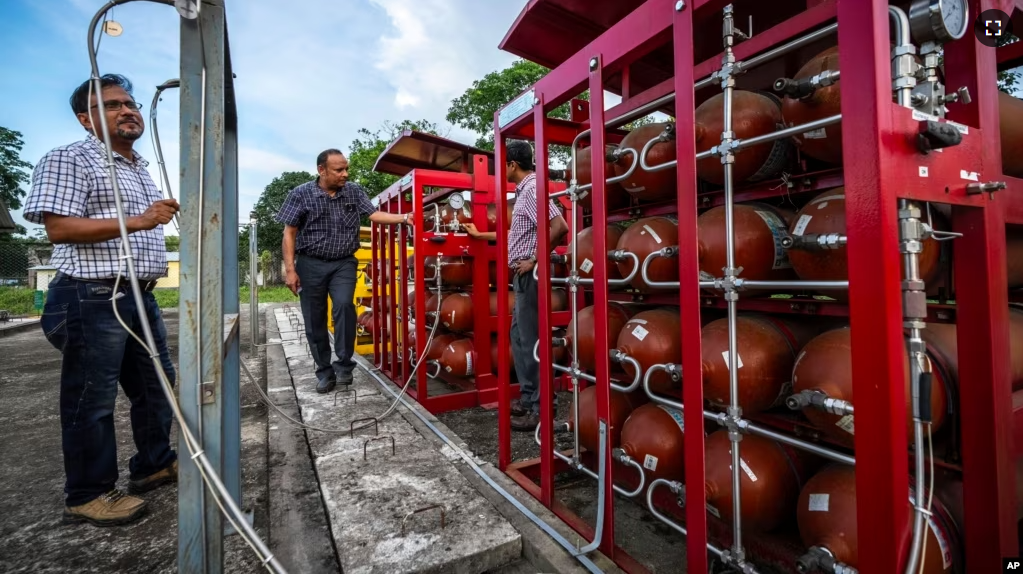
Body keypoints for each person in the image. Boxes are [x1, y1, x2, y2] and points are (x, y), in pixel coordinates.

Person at [23, 74, 180, 526]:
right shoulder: (70, 158)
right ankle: (87, 493)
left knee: (155, 388)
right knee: (91, 400)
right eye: (112, 105)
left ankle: (152, 464)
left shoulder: (136, 166)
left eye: (129, 103)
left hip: (136, 296)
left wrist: (149, 218)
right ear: (85, 119)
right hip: (91, 296)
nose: (127, 110)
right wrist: (142, 218)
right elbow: (60, 228)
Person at [276, 150, 411, 394]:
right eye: (339, 170)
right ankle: (324, 372)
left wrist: (404, 217)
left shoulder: (353, 191)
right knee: (314, 320)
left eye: (346, 168)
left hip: (343, 263)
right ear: (322, 170)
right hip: (310, 264)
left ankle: (344, 366)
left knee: (344, 306)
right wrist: (290, 270)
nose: (345, 174)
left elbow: (373, 214)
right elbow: (289, 233)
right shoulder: (300, 194)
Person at [463, 140, 568, 431]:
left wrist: (535, 260)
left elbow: (559, 227)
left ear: (512, 165)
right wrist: (482, 234)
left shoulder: (532, 189)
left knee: (531, 340)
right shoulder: (525, 191)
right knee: (519, 338)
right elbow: (518, 235)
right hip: (523, 275)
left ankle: (541, 408)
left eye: (503, 165)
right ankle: (528, 398)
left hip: (530, 274)